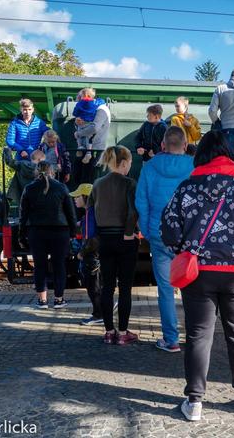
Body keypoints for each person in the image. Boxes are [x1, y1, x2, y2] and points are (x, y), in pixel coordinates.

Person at [160, 130, 234, 421]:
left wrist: (182, 250)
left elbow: (169, 228)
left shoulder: (186, 188)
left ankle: (194, 402)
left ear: (201, 155)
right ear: (228, 155)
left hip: (198, 273)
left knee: (198, 335)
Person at [135, 126, 194, 353]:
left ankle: (171, 340)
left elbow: (142, 203)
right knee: (191, 288)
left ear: (162, 145)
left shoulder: (149, 167)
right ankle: (195, 335)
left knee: (165, 290)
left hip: (160, 236)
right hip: (187, 238)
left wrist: (150, 232)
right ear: (186, 145)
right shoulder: (193, 166)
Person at [89, 145, 139, 345]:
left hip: (105, 240)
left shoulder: (98, 183)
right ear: (125, 163)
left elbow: (92, 210)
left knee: (107, 286)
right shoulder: (129, 183)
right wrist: (129, 232)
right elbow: (133, 211)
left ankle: (109, 332)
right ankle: (124, 332)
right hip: (125, 240)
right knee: (125, 288)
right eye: (130, 164)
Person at [19, 161, 77, 309]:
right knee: (59, 265)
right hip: (60, 231)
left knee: (39, 266)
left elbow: (23, 215)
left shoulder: (29, 189)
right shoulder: (61, 187)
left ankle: (42, 300)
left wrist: (21, 234)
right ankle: (59, 299)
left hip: (37, 232)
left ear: (36, 172)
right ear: (52, 171)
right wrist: (73, 232)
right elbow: (70, 213)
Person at [69, 183, 103, 326]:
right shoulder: (93, 211)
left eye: (77, 196)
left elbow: (92, 238)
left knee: (93, 287)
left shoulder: (90, 213)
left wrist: (81, 253)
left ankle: (98, 315)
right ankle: (101, 311)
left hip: (91, 256)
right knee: (97, 285)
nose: (75, 199)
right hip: (96, 255)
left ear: (85, 197)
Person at [73, 88, 111, 184]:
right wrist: (78, 122)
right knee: (81, 178)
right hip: (86, 148)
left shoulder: (102, 109)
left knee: (89, 179)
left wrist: (78, 134)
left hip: (94, 149)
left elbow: (94, 128)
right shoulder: (92, 108)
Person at [73, 88, 106, 165]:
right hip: (89, 123)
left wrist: (77, 116)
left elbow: (75, 112)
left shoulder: (79, 104)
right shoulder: (95, 103)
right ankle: (88, 152)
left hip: (81, 123)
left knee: (79, 134)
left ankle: (80, 147)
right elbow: (101, 102)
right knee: (89, 136)